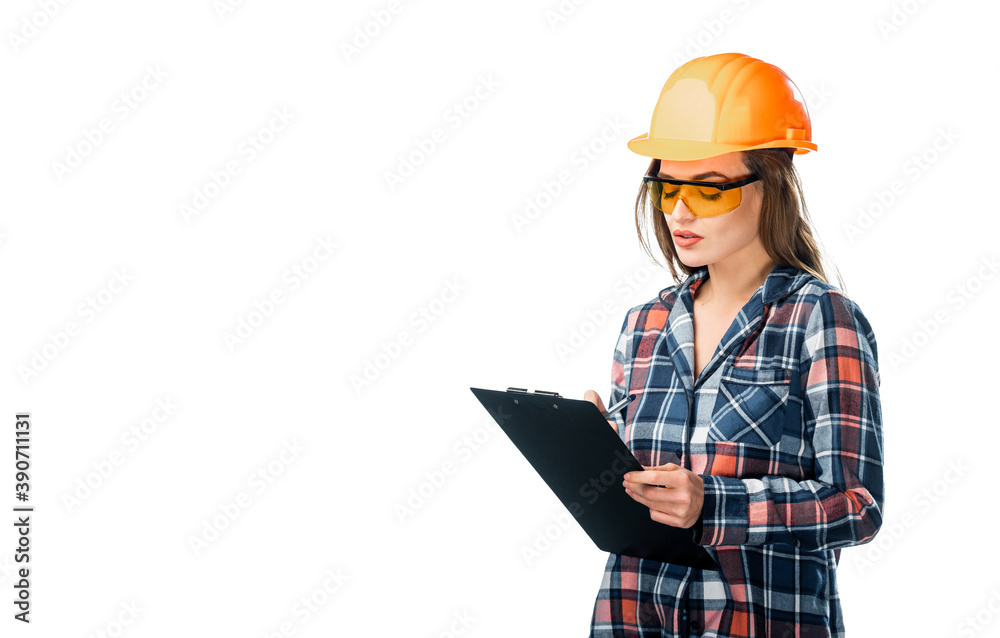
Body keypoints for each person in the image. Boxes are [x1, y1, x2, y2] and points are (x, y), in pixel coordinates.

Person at [584, 52, 884, 637]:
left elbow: (858, 504)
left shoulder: (821, 319)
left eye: (710, 190)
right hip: (632, 618)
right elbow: (640, 498)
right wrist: (596, 460)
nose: (681, 210)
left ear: (770, 187)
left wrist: (714, 506)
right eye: (667, 186)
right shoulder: (643, 325)